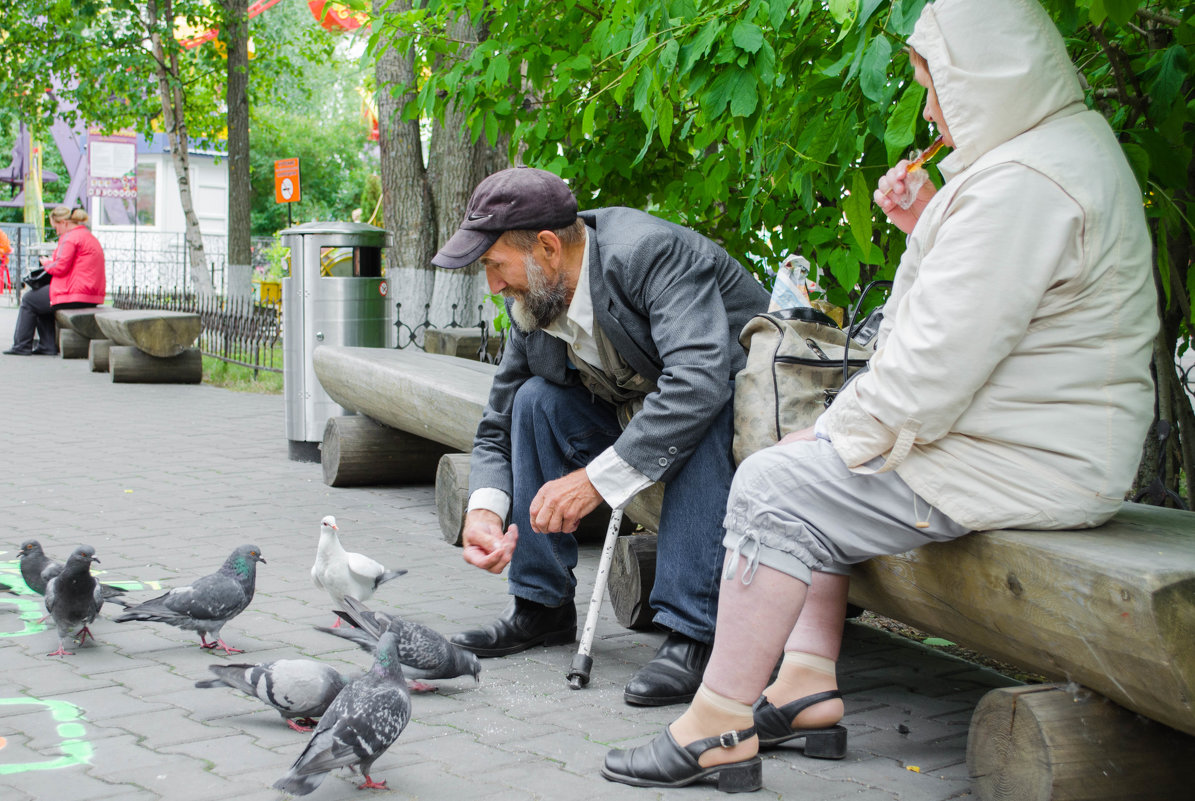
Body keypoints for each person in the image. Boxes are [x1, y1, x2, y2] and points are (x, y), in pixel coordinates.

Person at [601, 0, 1158, 791]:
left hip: (1034, 462)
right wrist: (925, 222)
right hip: (1037, 441)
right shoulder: (1044, 157)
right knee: (804, 466)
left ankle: (717, 723)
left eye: (937, 86)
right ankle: (803, 686)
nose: (931, 108)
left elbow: (931, 366)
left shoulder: (1024, 183)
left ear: (987, 78)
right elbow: (995, 309)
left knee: (776, 480)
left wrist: (832, 436)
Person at [431, 166, 770, 706]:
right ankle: (541, 607)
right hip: (640, 413)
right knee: (535, 401)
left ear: (546, 248)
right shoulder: (533, 303)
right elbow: (497, 421)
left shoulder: (648, 254)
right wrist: (485, 511)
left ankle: (693, 633)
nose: (493, 285)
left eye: (496, 265)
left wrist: (593, 481)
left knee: (708, 411)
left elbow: (700, 382)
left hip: (739, 418)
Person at [4, 207, 105, 356]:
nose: (56, 231)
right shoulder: (85, 235)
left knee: (29, 300)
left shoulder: (71, 237)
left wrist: (46, 263)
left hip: (76, 293)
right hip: (89, 293)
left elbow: (59, 267)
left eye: (56, 227)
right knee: (40, 299)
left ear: (63, 222)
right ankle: (46, 346)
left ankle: (21, 345)